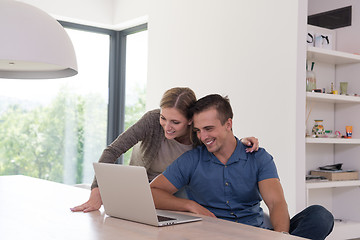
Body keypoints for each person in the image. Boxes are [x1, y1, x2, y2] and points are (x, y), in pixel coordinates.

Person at [150, 94, 334, 240]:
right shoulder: (191, 160)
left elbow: (276, 202)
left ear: (228, 124)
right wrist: (190, 205)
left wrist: (282, 236)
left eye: (209, 128)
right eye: (198, 131)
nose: (203, 137)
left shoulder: (258, 157)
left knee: (320, 216)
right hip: (213, 234)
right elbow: (152, 192)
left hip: (256, 232)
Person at [71, 87, 259, 213]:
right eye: (164, 118)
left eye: (175, 122)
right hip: (141, 187)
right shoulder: (152, 121)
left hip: (175, 192)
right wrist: (97, 190)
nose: (166, 127)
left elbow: (219, 139)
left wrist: (240, 141)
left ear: (190, 120)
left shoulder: (199, 137)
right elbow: (113, 151)